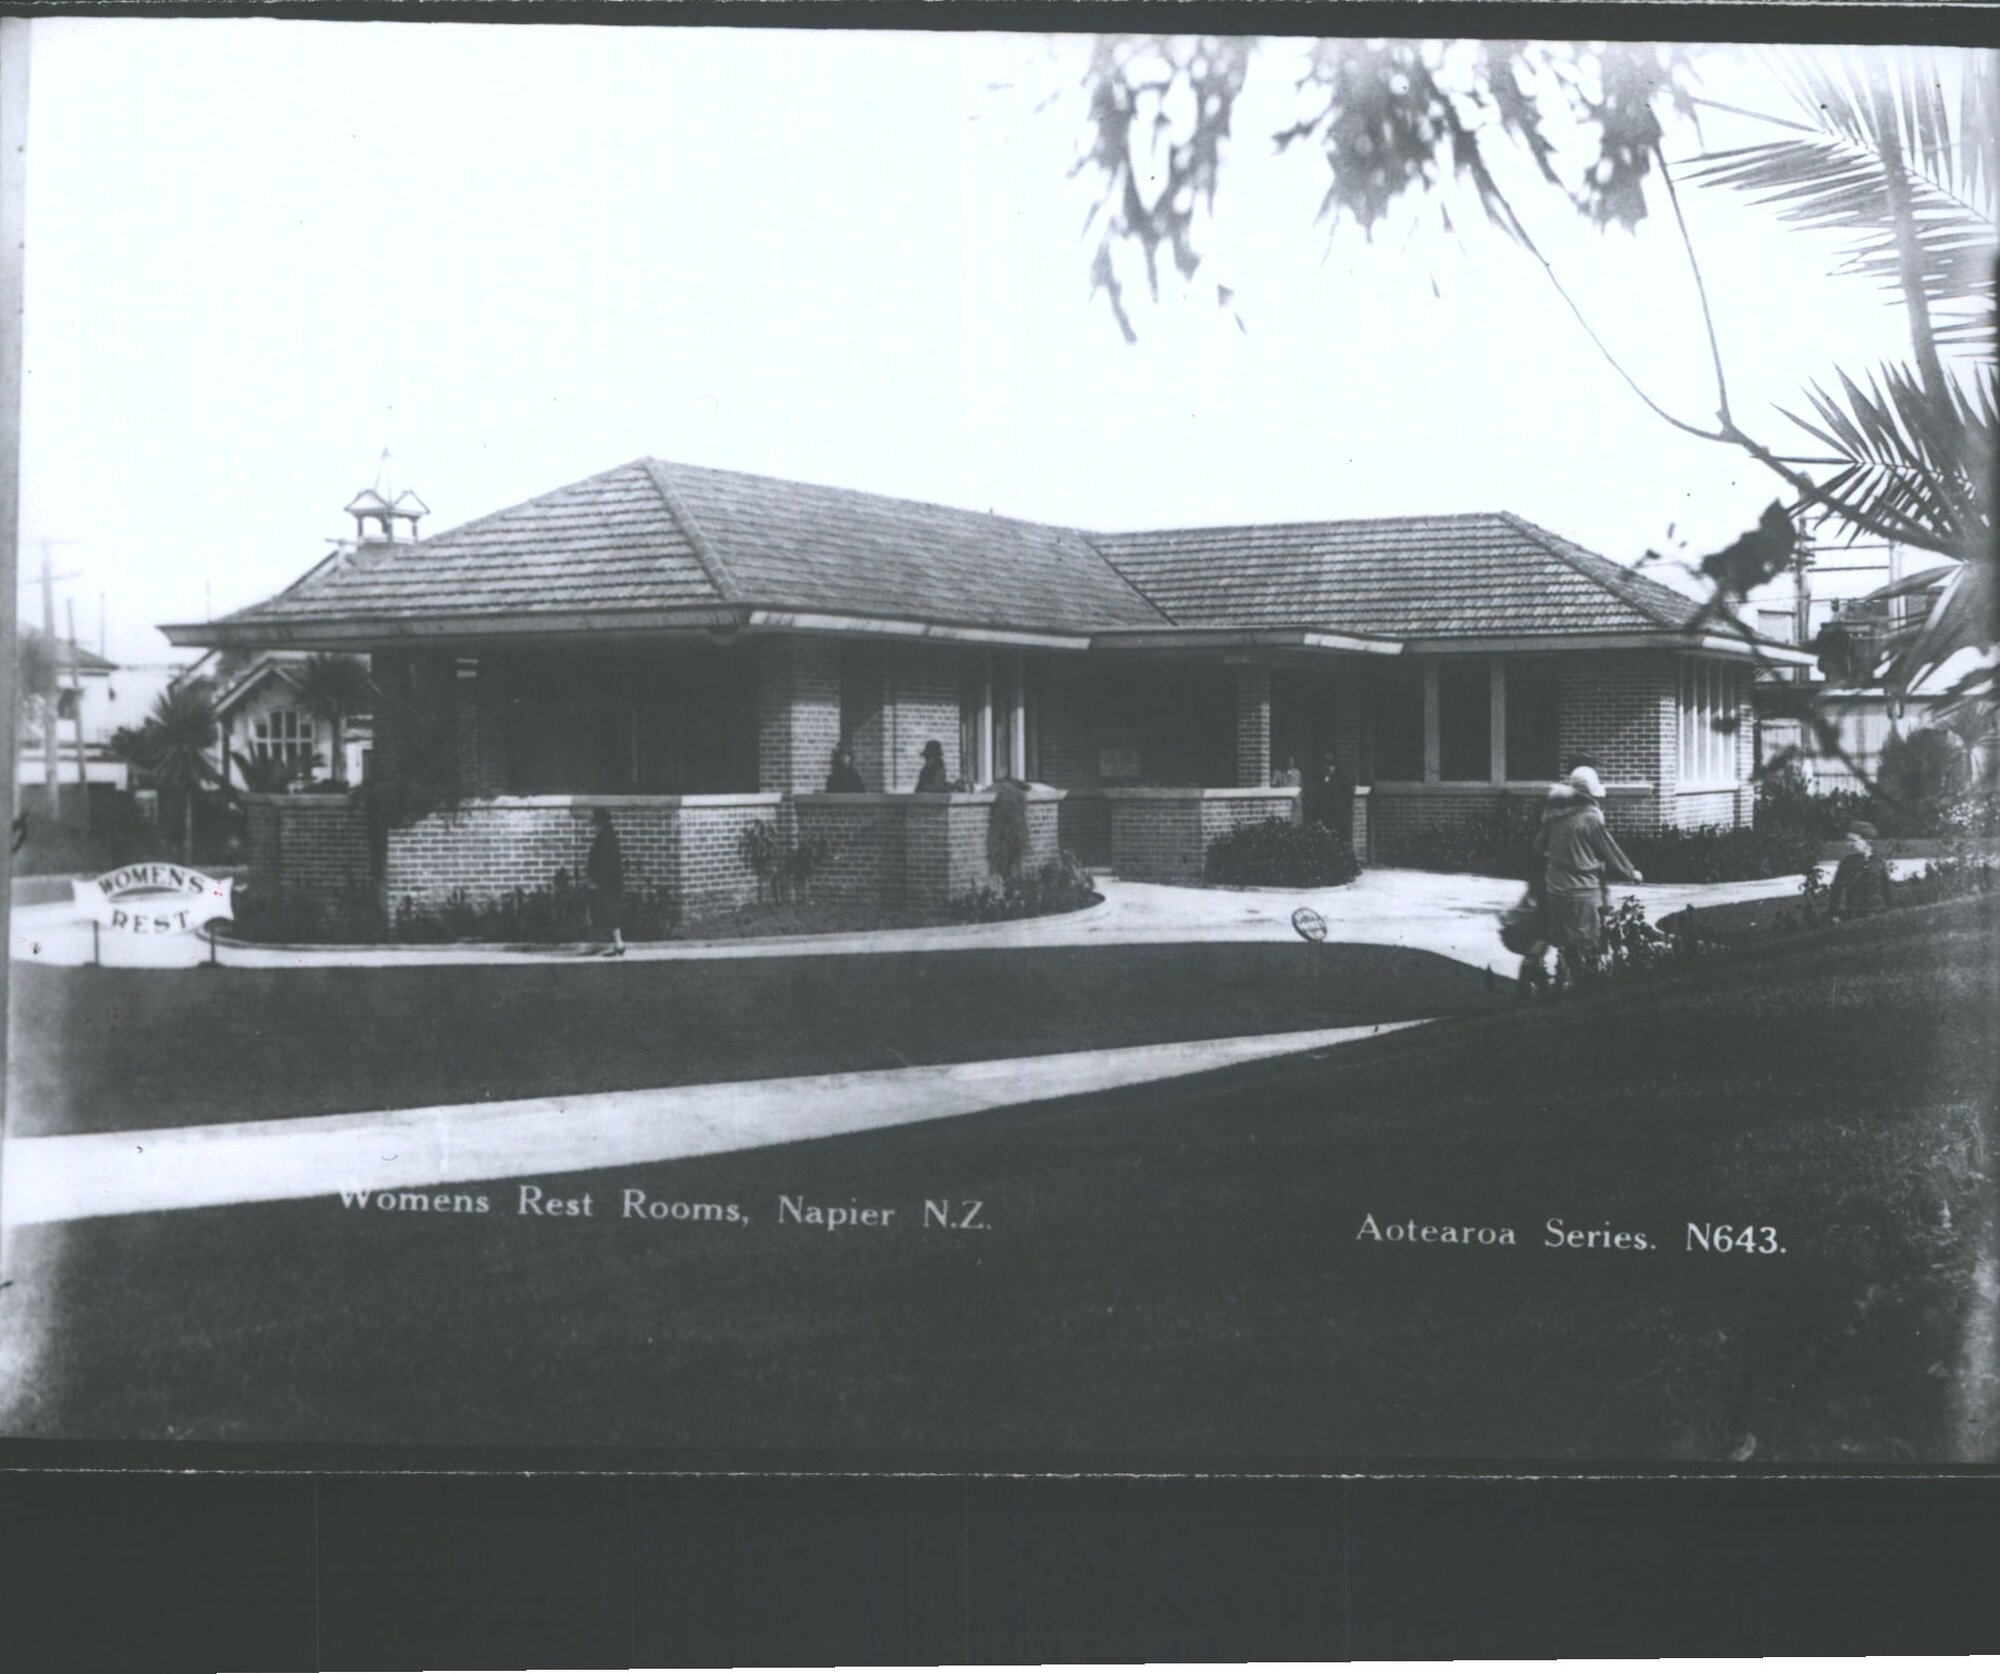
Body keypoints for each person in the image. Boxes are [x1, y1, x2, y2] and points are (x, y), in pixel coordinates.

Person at [1532, 764, 1642, 983]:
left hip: (1555, 886)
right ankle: (1586, 987)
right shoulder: (1590, 817)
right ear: (1590, 795)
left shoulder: (1553, 815)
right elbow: (1608, 849)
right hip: (1583, 890)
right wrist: (1630, 872)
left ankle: (1560, 979)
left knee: (1564, 942)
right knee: (1588, 944)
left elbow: (1538, 845)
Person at [1828, 821, 1893, 920]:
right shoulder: (1847, 863)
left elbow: (1887, 890)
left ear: (1867, 841)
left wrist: (1889, 911)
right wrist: (1835, 913)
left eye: (1853, 841)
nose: (1848, 844)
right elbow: (1837, 890)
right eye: (1848, 840)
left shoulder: (1878, 863)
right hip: (1853, 914)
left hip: (1878, 913)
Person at [585, 807, 626, 957]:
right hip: (609, 881)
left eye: (593, 819)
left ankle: (618, 944)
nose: (591, 822)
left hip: (607, 882)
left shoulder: (606, 836)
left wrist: (598, 881)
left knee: (609, 912)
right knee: (609, 912)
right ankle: (617, 943)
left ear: (599, 820)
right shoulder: (606, 834)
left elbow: (605, 862)